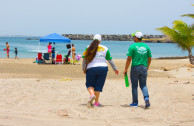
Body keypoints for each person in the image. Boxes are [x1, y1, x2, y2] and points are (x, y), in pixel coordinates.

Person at [82, 34, 119, 108]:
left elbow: (84, 59)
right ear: (100, 41)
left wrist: (83, 68)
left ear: (93, 40)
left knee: (89, 84)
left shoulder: (88, 47)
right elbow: (110, 60)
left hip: (91, 68)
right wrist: (115, 68)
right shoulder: (105, 48)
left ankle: (92, 95)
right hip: (103, 68)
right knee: (98, 86)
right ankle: (96, 102)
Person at [124, 31, 152, 108]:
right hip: (144, 67)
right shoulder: (146, 47)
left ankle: (135, 103)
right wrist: (147, 66)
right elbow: (149, 58)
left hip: (135, 67)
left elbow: (129, 59)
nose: (133, 38)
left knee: (134, 86)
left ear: (136, 38)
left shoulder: (132, 46)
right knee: (143, 85)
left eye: (134, 37)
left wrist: (125, 69)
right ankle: (146, 98)